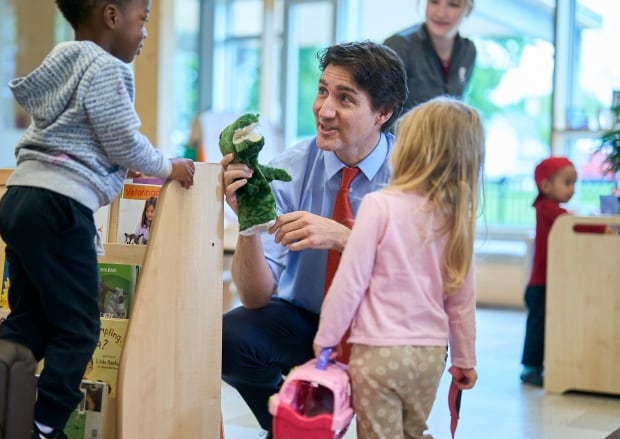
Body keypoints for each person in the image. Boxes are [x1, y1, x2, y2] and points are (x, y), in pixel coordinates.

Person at [0, 1, 195, 438]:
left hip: (19, 197)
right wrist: (168, 166)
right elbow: (123, 139)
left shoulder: (63, 60)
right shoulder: (106, 68)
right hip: (60, 206)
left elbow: (92, 137)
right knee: (79, 327)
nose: (144, 33)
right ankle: (43, 424)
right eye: (142, 20)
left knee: (30, 318)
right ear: (111, 16)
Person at [220, 40, 408, 436]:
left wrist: (346, 238)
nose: (324, 110)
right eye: (322, 91)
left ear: (383, 113)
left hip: (387, 323)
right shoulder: (292, 166)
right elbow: (255, 297)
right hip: (307, 318)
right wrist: (249, 222)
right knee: (229, 338)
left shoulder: (409, 175)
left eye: (345, 98)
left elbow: (425, 278)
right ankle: (293, 427)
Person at [313, 97, 482, 438]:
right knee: (412, 431)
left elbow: (350, 283)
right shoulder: (456, 218)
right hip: (429, 356)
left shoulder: (379, 206)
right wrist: (465, 359)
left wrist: (326, 339)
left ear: (407, 151)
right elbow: (461, 299)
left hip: (377, 353)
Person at [519, 156, 611, 387]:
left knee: (546, 323)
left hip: (549, 280)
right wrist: (604, 228)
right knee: (538, 325)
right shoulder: (546, 208)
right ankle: (530, 367)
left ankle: (540, 365)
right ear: (546, 185)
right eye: (567, 183)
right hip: (541, 282)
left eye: (574, 184)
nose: (572, 189)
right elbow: (573, 224)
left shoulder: (553, 209)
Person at [384, 0, 476, 115]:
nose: (441, 13)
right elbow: (382, 111)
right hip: (405, 132)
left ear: (469, 10)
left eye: (453, 5)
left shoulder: (468, 51)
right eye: (434, 2)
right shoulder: (399, 46)